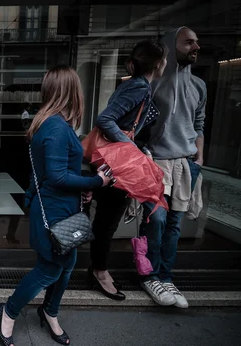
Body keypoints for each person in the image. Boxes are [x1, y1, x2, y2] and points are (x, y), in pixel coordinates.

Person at [0, 66, 111, 346]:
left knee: (67, 264)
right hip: (54, 213)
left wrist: (84, 188)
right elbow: (57, 177)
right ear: (72, 91)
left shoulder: (48, 123)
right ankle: (8, 313)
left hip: (58, 208)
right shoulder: (57, 127)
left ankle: (50, 311)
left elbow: (45, 174)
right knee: (49, 269)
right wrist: (97, 181)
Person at [88, 40, 168, 301]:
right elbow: (105, 119)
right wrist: (130, 147)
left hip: (112, 159)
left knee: (105, 221)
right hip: (116, 161)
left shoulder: (137, 85)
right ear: (158, 64)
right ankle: (99, 271)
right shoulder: (138, 86)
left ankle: (98, 268)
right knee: (107, 222)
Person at [138, 27, 206, 308]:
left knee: (175, 225)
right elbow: (137, 123)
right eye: (189, 42)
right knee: (156, 221)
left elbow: (199, 124)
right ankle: (150, 275)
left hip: (186, 164)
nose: (196, 47)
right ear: (171, 45)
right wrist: (144, 156)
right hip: (157, 162)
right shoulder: (152, 83)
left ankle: (166, 277)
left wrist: (199, 159)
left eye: (197, 42)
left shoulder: (199, 85)